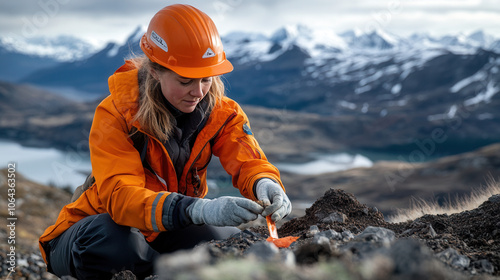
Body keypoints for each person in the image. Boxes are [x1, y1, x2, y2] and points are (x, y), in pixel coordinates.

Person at [38, 4, 291, 279]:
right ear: (156, 71)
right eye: (185, 81)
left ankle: (162, 267)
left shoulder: (223, 112)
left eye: (206, 79)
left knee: (227, 243)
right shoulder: (115, 114)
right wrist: (198, 209)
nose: (198, 92)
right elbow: (121, 199)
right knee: (112, 245)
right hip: (91, 230)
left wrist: (265, 183)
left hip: (165, 227)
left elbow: (248, 160)